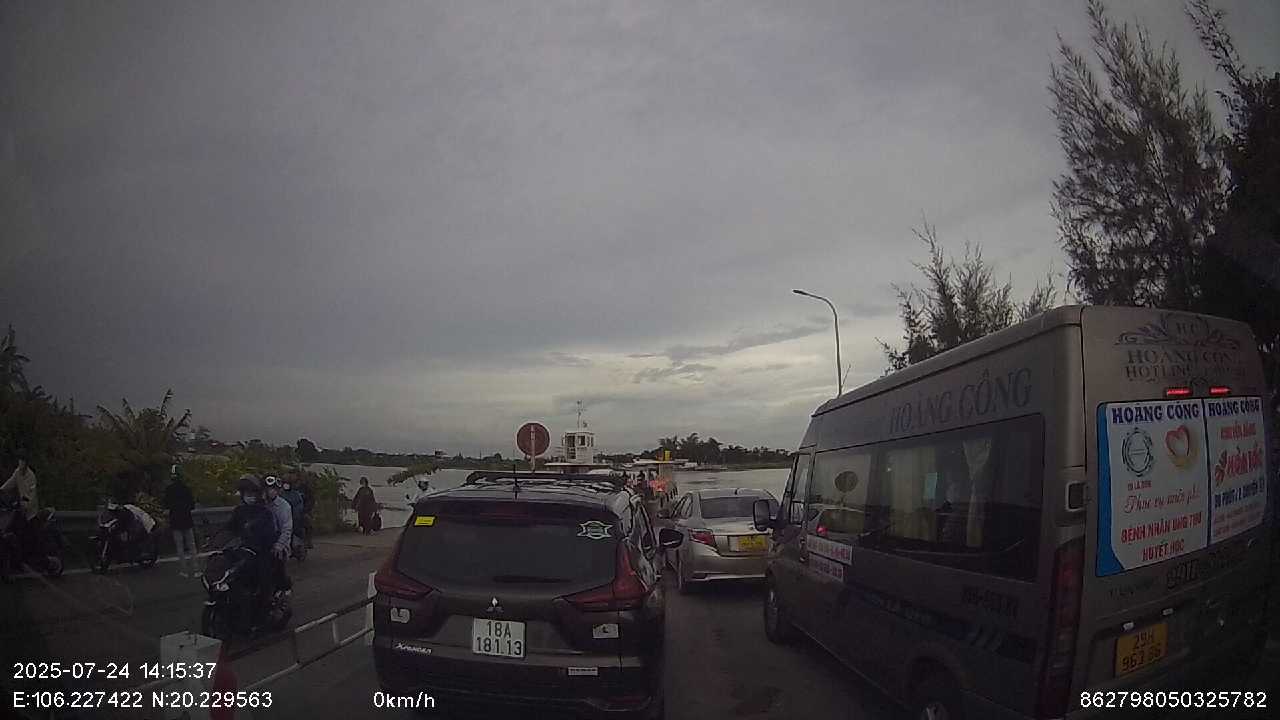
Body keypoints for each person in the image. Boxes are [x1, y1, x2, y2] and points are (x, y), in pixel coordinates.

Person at [225, 475, 277, 626]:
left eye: (252, 493)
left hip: (260, 552)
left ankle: (263, 614)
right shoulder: (239, 511)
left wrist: (261, 541)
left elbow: (270, 535)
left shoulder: (264, 513)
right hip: (243, 551)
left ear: (258, 494)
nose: (249, 496)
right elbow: (229, 529)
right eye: (246, 493)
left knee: (262, 576)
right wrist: (216, 540)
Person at [1, 452, 39, 555]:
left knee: (29, 532)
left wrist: (25, 504)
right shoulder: (17, 472)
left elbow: (32, 495)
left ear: (26, 463)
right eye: (19, 460)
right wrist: (1, 490)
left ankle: (32, 553)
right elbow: (11, 482)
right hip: (21, 506)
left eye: (23, 461)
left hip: (30, 510)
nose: (20, 463)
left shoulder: (31, 476)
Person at [164, 464, 197, 577]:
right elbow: (192, 505)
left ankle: (184, 571)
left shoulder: (169, 490)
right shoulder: (186, 489)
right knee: (191, 545)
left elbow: (166, 504)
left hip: (175, 520)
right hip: (187, 519)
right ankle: (196, 569)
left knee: (180, 547)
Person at [263, 476, 293, 595]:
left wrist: (279, 545)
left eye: (273, 489)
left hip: (280, 543)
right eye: (268, 488)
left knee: (276, 561)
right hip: (263, 542)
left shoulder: (284, 506)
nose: (271, 491)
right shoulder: (260, 503)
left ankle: (283, 587)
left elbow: (286, 529)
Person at [280, 478, 305, 547]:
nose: (286, 486)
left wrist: (295, 512)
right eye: (285, 484)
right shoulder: (281, 493)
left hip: (294, 516)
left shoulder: (296, 494)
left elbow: (300, 505)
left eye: (287, 484)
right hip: (283, 516)